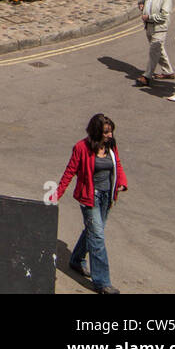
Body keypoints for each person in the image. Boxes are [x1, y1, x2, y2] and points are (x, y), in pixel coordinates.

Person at [53, 113, 127, 295]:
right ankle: (102, 282)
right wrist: (56, 195)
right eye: (106, 132)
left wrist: (121, 182)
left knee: (93, 231)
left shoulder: (111, 145)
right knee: (98, 237)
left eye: (111, 132)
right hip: (90, 198)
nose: (110, 135)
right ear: (96, 132)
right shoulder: (81, 148)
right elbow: (69, 172)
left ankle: (76, 259)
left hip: (107, 197)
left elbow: (117, 163)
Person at [136, 0, 175, 87]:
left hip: (159, 28)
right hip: (149, 27)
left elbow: (164, 16)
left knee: (154, 51)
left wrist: (149, 17)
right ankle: (168, 72)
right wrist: (141, 4)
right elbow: (142, 0)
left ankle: (146, 76)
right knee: (159, 49)